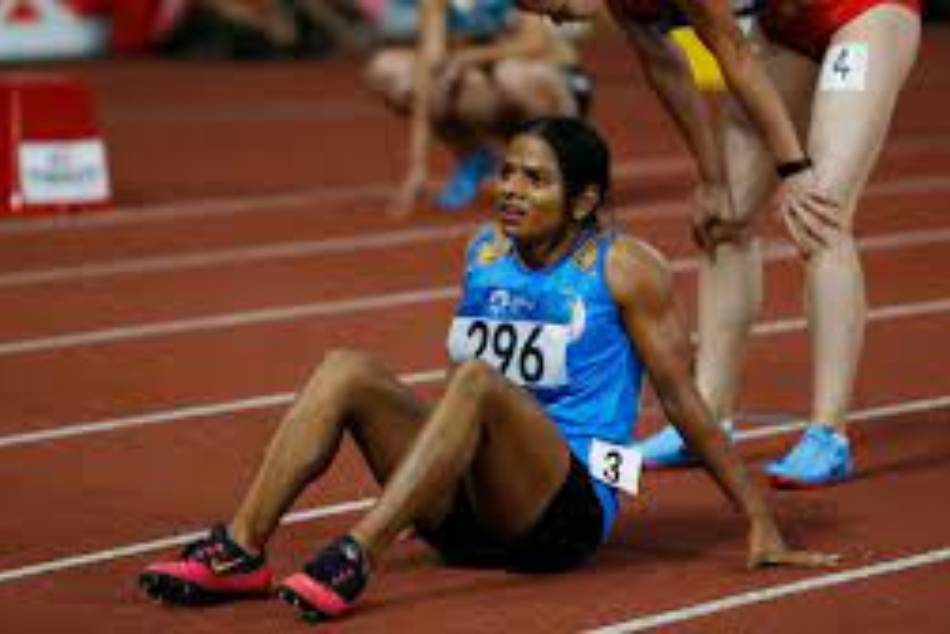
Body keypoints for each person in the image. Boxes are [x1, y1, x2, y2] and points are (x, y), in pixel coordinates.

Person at [138, 117, 833, 622]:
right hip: (469, 511)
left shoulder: (625, 269)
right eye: (507, 173)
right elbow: (464, 384)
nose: (511, 190)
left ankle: (358, 553)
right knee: (345, 368)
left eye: (536, 179)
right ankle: (240, 550)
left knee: (478, 382)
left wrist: (758, 519)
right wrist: (429, 471)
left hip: (561, 516)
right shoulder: (485, 252)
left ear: (584, 201)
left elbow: (682, 400)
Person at [519, 0, 919, 487]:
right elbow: (666, 70)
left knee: (821, 214)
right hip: (785, 27)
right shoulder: (622, 5)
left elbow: (734, 53)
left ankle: (828, 435)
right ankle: (705, 420)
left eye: (546, 4)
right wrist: (712, 178)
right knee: (723, 218)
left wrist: (794, 169)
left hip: (861, 11)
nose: (552, 20)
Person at [365, 0, 593, 214]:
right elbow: (429, 71)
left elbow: (533, 44)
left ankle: (573, 156)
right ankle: (474, 154)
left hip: (554, 81)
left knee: (512, 75)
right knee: (387, 69)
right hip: (491, 86)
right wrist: (417, 165)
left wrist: (468, 57)